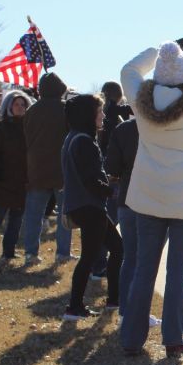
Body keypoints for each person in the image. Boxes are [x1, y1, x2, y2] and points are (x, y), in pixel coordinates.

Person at [118, 38, 183, 358]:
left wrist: (158, 50)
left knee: (144, 268)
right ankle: (172, 338)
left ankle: (131, 339)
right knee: (177, 272)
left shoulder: (140, 99)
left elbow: (128, 69)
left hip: (147, 196)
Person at [103, 90, 164, 332]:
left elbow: (112, 167)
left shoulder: (123, 129)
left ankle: (126, 312)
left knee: (130, 257)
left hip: (128, 197)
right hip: (153, 200)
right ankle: (137, 313)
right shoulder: (162, 129)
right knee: (146, 261)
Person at [61, 93, 122, 320]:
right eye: (100, 111)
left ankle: (113, 299)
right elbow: (91, 181)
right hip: (89, 207)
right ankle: (74, 307)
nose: (103, 116)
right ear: (89, 115)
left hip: (83, 205)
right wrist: (111, 189)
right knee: (89, 257)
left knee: (116, 248)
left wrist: (106, 181)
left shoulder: (73, 137)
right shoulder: (85, 141)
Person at [22, 73, 73, 265]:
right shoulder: (66, 110)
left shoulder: (32, 111)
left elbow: (25, 137)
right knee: (64, 214)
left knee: (34, 214)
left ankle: (30, 253)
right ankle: (62, 253)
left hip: (36, 167)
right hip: (61, 169)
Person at [90, 81, 136, 280]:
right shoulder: (114, 111)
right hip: (116, 175)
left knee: (106, 224)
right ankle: (100, 265)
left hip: (110, 170)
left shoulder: (104, 112)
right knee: (109, 225)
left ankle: (99, 265)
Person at [0, 91, 31, 262]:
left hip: (22, 180)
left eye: (23, 105)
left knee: (16, 219)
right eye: (16, 104)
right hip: (3, 179)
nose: (20, 108)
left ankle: (8, 250)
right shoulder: (0, 128)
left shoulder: (29, 128)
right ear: (9, 106)